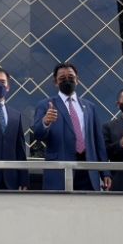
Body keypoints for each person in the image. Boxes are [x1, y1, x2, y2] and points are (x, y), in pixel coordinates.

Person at [33, 62, 111, 191]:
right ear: (55, 82)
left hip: (88, 171)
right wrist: (45, 121)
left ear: (77, 80)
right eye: (62, 78)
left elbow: (99, 142)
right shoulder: (45, 105)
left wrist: (105, 172)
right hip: (59, 171)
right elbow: (38, 134)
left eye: (71, 77)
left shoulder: (90, 107)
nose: (67, 80)